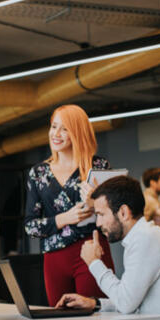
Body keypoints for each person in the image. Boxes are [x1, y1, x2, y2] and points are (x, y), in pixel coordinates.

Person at [54, 175, 160, 320]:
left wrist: (94, 262)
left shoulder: (147, 240)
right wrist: (94, 303)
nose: (97, 223)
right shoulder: (140, 238)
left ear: (123, 212)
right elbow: (131, 297)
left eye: (101, 214)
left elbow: (126, 304)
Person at [25, 104, 115, 306]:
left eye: (64, 129)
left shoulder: (98, 167)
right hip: (54, 259)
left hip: (92, 253)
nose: (56, 134)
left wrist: (96, 204)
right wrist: (64, 219)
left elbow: (118, 219)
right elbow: (30, 227)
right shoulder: (38, 173)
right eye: (54, 126)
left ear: (78, 132)